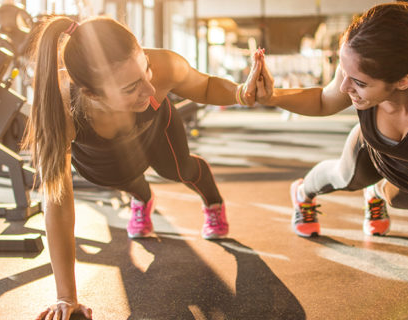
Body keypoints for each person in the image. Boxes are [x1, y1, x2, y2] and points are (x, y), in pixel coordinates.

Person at [253, 3, 408, 320]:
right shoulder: (357, 74)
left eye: (359, 83)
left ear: (403, 82)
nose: (345, 87)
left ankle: (377, 194)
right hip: (371, 152)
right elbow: (324, 100)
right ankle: (303, 192)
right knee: (343, 175)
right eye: (343, 73)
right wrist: (271, 97)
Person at [25, 17, 262, 320]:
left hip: (155, 131)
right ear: (93, 94)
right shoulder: (58, 102)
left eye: (146, 68)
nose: (150, 87)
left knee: (179, 169)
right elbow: (57, 200)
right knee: (118, 178)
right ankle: (143, 198)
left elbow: (205, 85)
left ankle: (213, 201)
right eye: (131, 86)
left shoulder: (162, 68)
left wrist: (243, 93)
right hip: (101, 157)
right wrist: (65, 296)